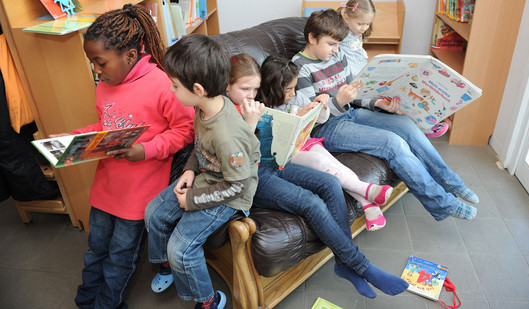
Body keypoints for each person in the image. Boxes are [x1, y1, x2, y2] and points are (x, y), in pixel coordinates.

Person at [226, 52, 409, 298]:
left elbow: (272, 145)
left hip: (274, 163)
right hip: (254, 177)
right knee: (311, 203)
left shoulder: (251, 103)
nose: (252, 95)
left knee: (331, 183)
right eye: (246, 89)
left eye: (255, 88)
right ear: (226, 86)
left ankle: (344, 264)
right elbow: (237, 161)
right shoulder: (226, 113)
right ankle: (360, 264)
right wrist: (250, 124)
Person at [62, 5, 195, 309]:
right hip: (105, 188)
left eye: (100, 62)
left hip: (138, 197)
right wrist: (77, 138)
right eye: (92, 62)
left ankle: (107, 305)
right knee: (95, 250)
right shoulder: (105, 85)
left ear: (130, 56)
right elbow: (105, 126)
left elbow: (185, 130)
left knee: (120, 259)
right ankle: (85, 301)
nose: (96, 70)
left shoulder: (163, 85)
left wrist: (145, 149)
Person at [291, 9, 479, 222]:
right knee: (392, 143)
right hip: (328, 128)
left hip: (351, 112)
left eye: (338, 44)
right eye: (331, 44)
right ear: (312, 38)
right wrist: (338, 102)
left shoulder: (339, 56)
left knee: (406, 125)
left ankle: (452, 183)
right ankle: (443, 203)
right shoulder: (300, 68)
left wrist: (377, 103)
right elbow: (311, 119)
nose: (336, 50)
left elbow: (354, 95)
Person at [144, 35, 260, 309]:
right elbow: (200, 144)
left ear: (196, 88)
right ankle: (167, 266)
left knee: (181, 249)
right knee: (154, 212)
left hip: (230, 194)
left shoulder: (227, 136)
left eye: (174, 85)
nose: (171, 90)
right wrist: (189, 170)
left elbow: (238, 186)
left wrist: (193, 200)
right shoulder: (205, 105)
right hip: (208, 176)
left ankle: (208, 302)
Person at [257, 54, 393, 231]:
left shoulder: (296, 98)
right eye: (288, 89)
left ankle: (369, 206)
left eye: (294, 88)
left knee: (335, 166)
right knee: (319, 162)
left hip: (305, 143)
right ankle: (369, 190)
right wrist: (298, 116)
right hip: (286, 154)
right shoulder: (262, 108)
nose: (293, 93)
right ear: (272, 88)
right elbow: (272, 139)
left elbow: (320, 120)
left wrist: (321, 106)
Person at [337, 0, 449, 138]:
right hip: (356, 83)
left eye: (367, 24)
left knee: (403, 88)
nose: (364, 28)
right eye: (360, 23)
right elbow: (349, 66)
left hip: (364, 76)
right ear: (346, 18)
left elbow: (358, 57)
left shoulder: (355, 33)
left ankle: (424, 122)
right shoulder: (340, 38)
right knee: (394, 96)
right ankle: (423, 125)